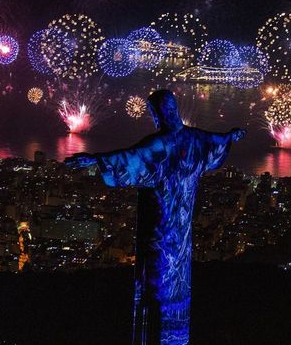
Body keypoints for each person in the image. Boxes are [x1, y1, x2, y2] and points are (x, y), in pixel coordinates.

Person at [65, 89, 245, 345]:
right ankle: (176, 335)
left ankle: (157, 335)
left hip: (159, 227)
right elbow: (216, 142)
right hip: (183, 230)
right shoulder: (195, 139)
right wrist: (231, 136)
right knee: (178, 281)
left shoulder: (159, 145)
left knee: (156, 282)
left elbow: (129, 160)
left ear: (158, 113)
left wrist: (95, 159)